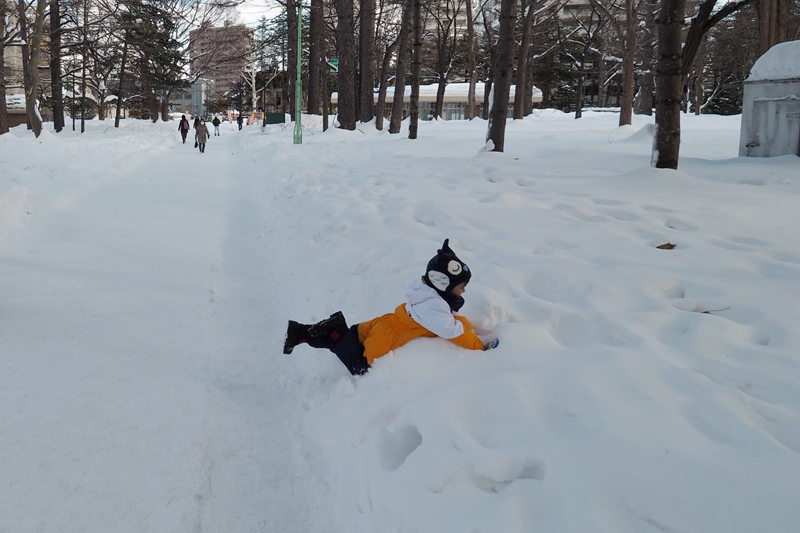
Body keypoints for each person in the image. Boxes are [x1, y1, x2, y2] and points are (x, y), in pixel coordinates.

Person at [283, 239, 499, 375]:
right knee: (360, 365)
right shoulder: (433, 307)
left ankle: (302, 332)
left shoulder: (424, 290)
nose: (464, 291)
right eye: (461, 287)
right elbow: (452, 331)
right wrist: (479, 347)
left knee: (353, 335)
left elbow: (450, 320)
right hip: (388, 336)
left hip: (384, 322)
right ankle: (334, 332)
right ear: (444, 284)